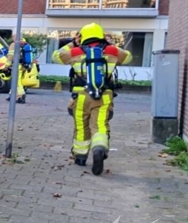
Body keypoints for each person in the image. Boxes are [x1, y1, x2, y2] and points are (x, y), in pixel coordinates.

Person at [51, 23, 132, 175]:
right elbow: (128, 57)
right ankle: (99, 148)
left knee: (81, 126)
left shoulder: (74, 52)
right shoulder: (111, 51)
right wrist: (110, 44)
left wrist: (72, 43)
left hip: (80, 96)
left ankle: (80, 156)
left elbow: (56, 56)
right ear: (101, 35)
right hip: (104, 96)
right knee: (100, 125)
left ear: (83, 36)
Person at [5, 37, 34, 104]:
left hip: (17, 66)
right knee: (15, 81)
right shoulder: (25, 44)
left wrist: (6, 66)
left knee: (17, 82)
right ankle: (11, 95)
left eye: (13, 37)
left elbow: (10, 57)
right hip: (24, 66)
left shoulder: (14, 45)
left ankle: (21, 97)